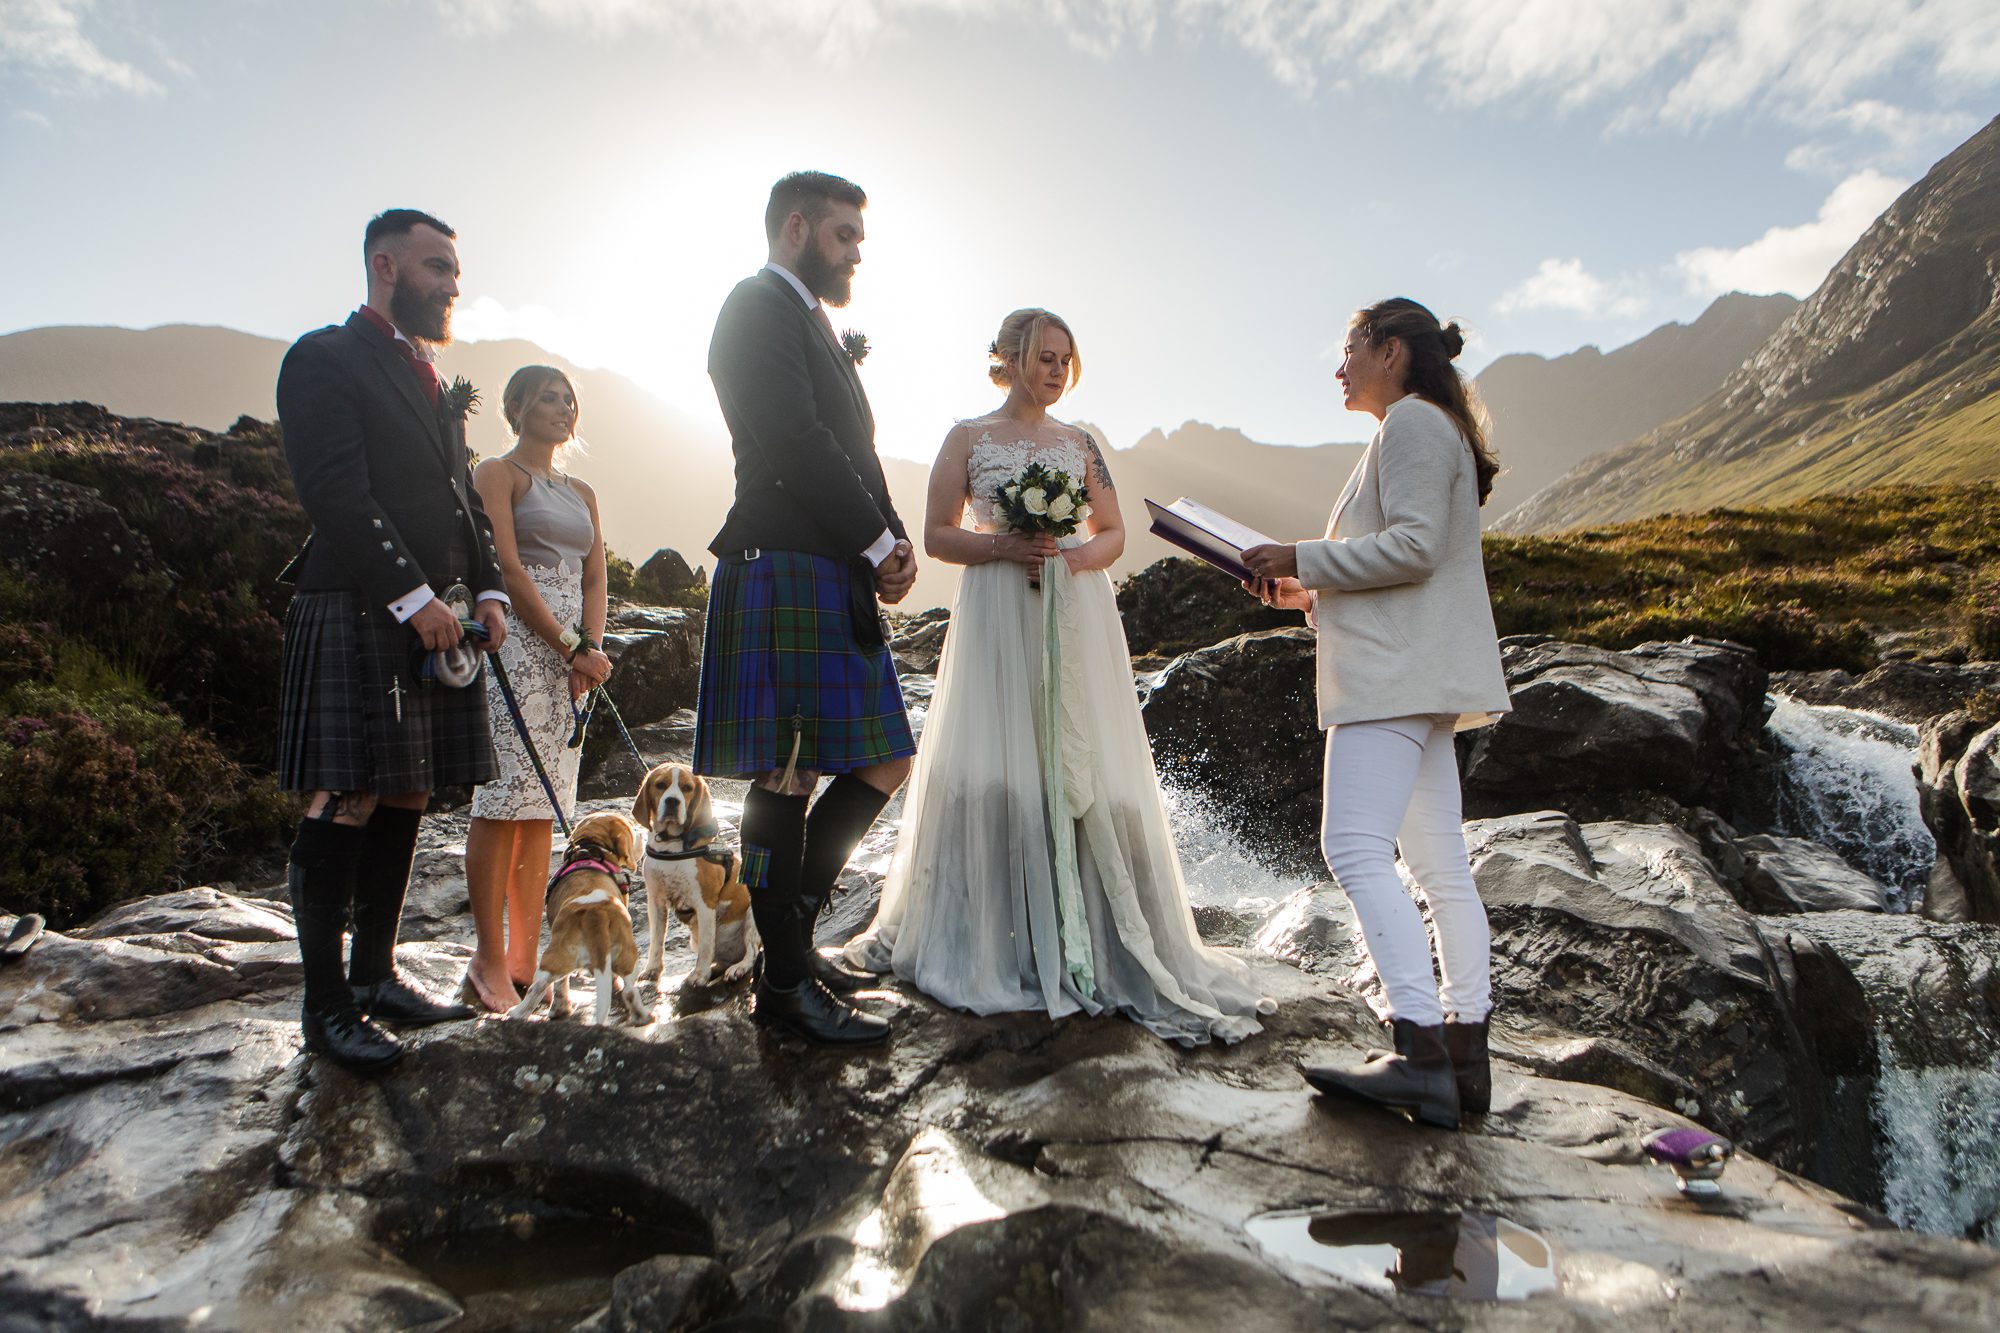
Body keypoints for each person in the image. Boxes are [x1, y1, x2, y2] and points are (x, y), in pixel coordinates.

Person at [843, 309, 1275, 1045]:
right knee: (998, 757)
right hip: (996, 608)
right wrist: (1006, 545)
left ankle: (1091, 929)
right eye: (1044, 356)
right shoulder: (967, 438)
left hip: (1071, 608)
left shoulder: (1081, 445)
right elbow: (940, 533)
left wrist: (1071, 559)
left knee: (1077, 753)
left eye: (1064, 359)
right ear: (1008, 358)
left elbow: (1113, 531)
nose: (1055, 370)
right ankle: (997, 938)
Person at [1241, 297, 1511, 1128]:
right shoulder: (1432, 425)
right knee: (1439, 868)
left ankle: (1419, 1047)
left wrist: (1301, 553)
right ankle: (1465, 1056)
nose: (1339, 367)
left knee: (1352, 846)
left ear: (1389, 350)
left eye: (1348, 349)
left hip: (1393, 682)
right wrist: (1308, 591)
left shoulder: (1412, 425)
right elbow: (1404, 566)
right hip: (1419, 677)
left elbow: (1416, 545)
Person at [274, 209, 504, 1071]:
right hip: (362, 604)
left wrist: (485, 587)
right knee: (347, 793)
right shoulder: (325, 359)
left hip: (441, 609)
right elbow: (334, 490)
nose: (452, 283)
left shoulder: (430, 376)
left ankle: (375, 975)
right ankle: (325, 1006)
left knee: (406, 790)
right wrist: (414, 599)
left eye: (454, 268)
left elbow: (463, 499)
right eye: (437, 267)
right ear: (385, 266)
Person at [694, 170, 918, 1046]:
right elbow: (793, 438)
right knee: (788, 774)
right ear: (795, 229)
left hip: (828, 565)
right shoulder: (755, 307)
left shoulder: (814, 326)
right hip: (781, 559)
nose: (856, 252)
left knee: (882, 761)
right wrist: (871, 541)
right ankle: (783, 979)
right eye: (844, 236)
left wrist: (890, 539)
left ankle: (787, 940)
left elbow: (855, 446)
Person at [461, 366, 613, 1013]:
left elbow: (595, 575)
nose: (561, 406)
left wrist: (589, 649)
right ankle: (487, 960)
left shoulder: (581, 489)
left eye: (567, 398)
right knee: (500, 802)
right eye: (547, 396)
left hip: (567, 656)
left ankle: (528, 958)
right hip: (516, 647)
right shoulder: (498, 473)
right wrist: (565, 642)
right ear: (516, 405)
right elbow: (505, 568)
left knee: (540, 810)